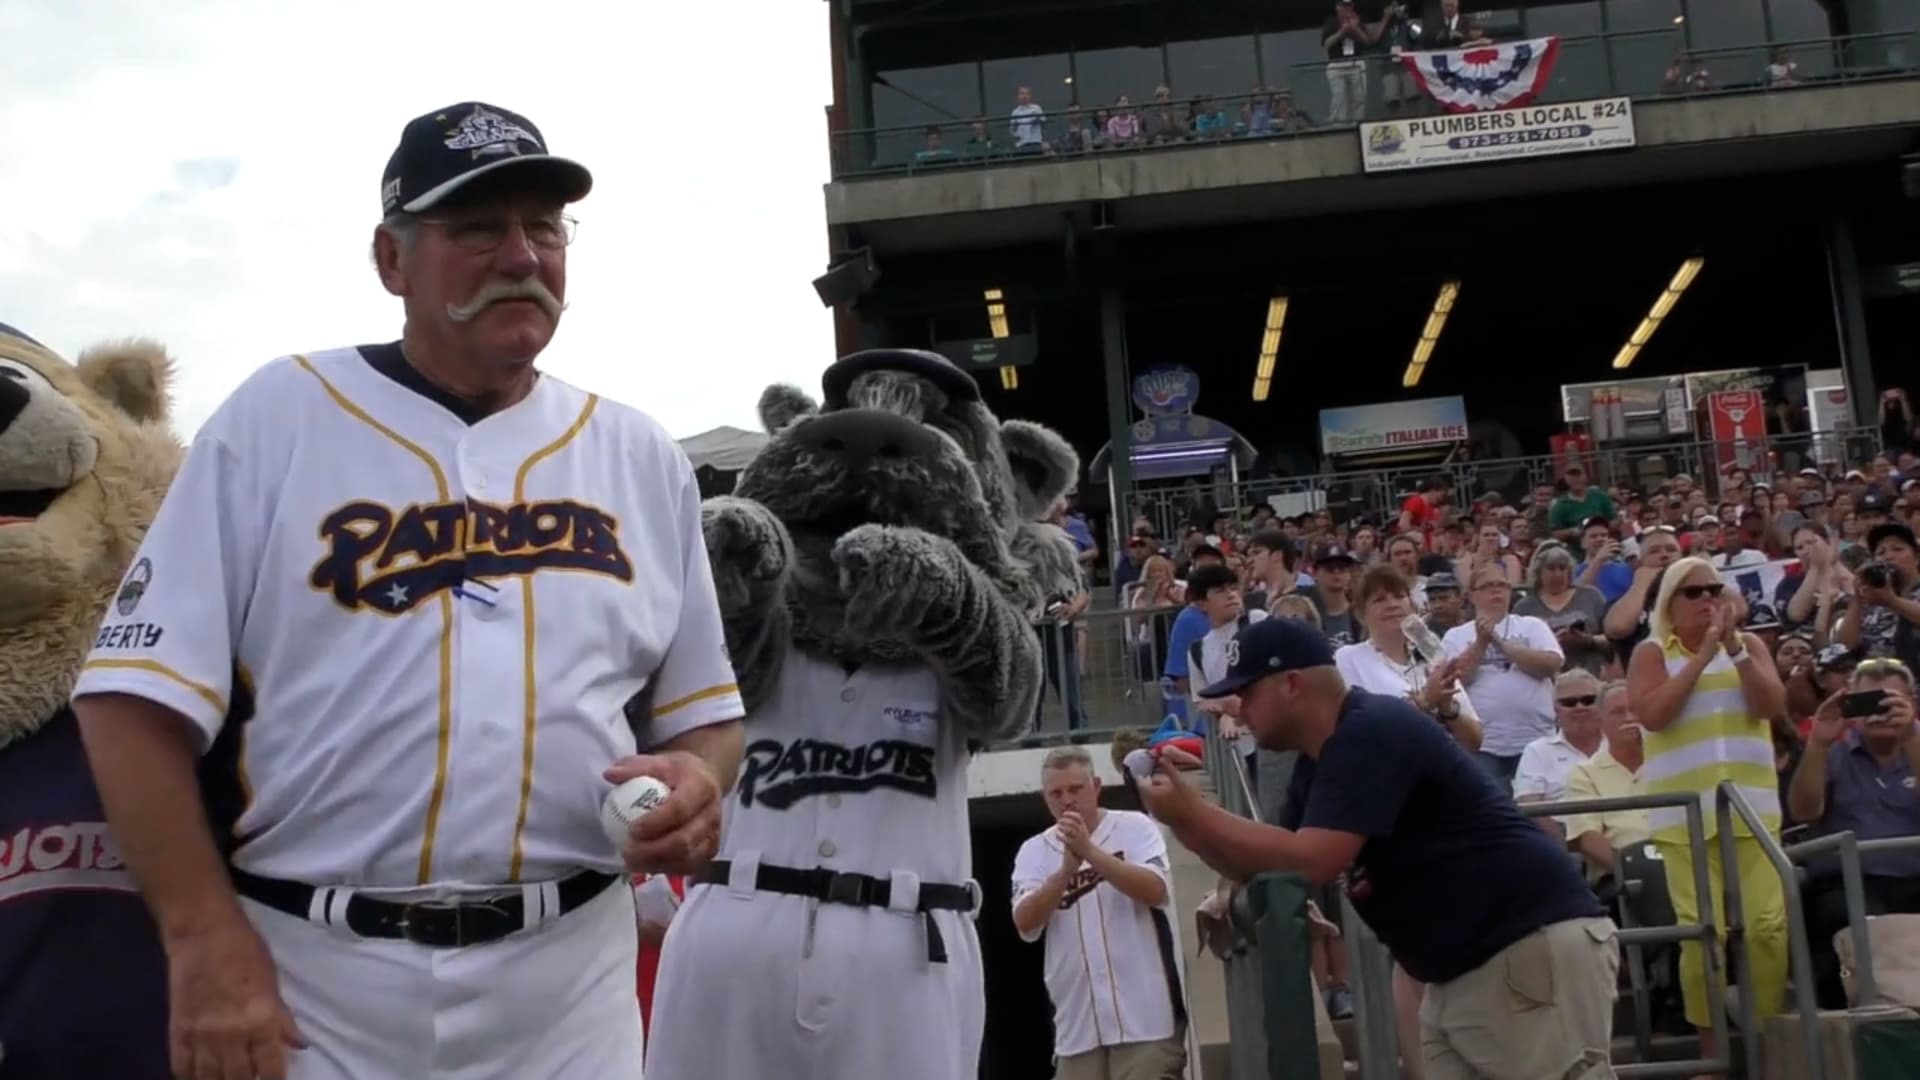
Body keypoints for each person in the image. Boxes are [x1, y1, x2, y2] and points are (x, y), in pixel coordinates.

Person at [68, 102, 747, 1080]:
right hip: (319, 975)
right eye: (477, 227)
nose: (522, 253)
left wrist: (701, 782)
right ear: (392, 260)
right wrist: (200, 939)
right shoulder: (278, 419)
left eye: (544, 226)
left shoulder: (637, 454)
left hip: (567, 984)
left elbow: (706, 716)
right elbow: (131, 703)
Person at [1138, 617, 1619, 1079]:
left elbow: (1314, 861)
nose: (1238, 708)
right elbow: (1269, 868)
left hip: (1522, 949)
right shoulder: (1319, 760)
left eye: (1247, 691)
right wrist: (1190, 828)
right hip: (1467, 969)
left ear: (1292, 684)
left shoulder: (1368, 729)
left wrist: (1193, 812)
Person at [1627, 557, 1790, 1065]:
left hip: (1752, 811)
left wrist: (1734, 648)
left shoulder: (1751, 646)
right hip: (1686, 819)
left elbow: (1770, 706)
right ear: (1670, 603)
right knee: (1704, 936)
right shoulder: (1651, 652)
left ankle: (1761, 1043)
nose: (1706, 600)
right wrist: (1699, 658)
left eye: (1713, 590)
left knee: (1767, 928)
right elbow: (1652, 714)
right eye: (1693, 593)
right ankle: (1712, 1053)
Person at [1012, 748, 1188, 1080]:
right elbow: (1025, 923)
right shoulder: (1033, 851)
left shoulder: (1135, 826)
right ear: (1045, 797)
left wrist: (1090, 853)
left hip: (1146, 1022)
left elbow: (1156, 890)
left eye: (1075, 789)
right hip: (1077, 1029)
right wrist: (1065, 871)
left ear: (1095, 786)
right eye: (1056, 793)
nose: (1066, 800)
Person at [1785, 657, 1920, 1008]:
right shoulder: (1834, 753)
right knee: (1852, 917)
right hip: (1849, 881)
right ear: (1852, 709)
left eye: (1890, 702)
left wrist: (1911, 739)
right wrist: (1817, 744)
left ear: (1912, 704)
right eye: (1868, 702)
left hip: (1913, 878)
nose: (1879, 712)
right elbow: (1803, 810)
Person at [1442, 565, 1565, 783]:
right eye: (1488, 586)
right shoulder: (1456, 636)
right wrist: (1480, 643)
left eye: (1502, 585)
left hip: (1535, 741)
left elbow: (1551, 664)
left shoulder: (1532, 626)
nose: (1496, 591)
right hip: (1481, 746)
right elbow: (1455, 680)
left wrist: (1500, 643)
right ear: (1472, 596)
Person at [1561, 681, 1652, 883]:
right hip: (1619, 879)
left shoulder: (1667, 764)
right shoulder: (1584, 774)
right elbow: (1587, 838)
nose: (1629, 718)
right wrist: (1634, 871)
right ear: (1601, 721)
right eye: (1618, 712)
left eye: (1634, 710)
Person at [1518, 542, 1611, 677]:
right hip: (1544, 680)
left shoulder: (1591, 596)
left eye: (1562, 568)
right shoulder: (1524, 607)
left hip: (1590, 675)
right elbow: (1516, 650)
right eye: (1551, 568)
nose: (1558, 574)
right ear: (1538, 572)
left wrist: (1589, 640)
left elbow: (1612, 640)